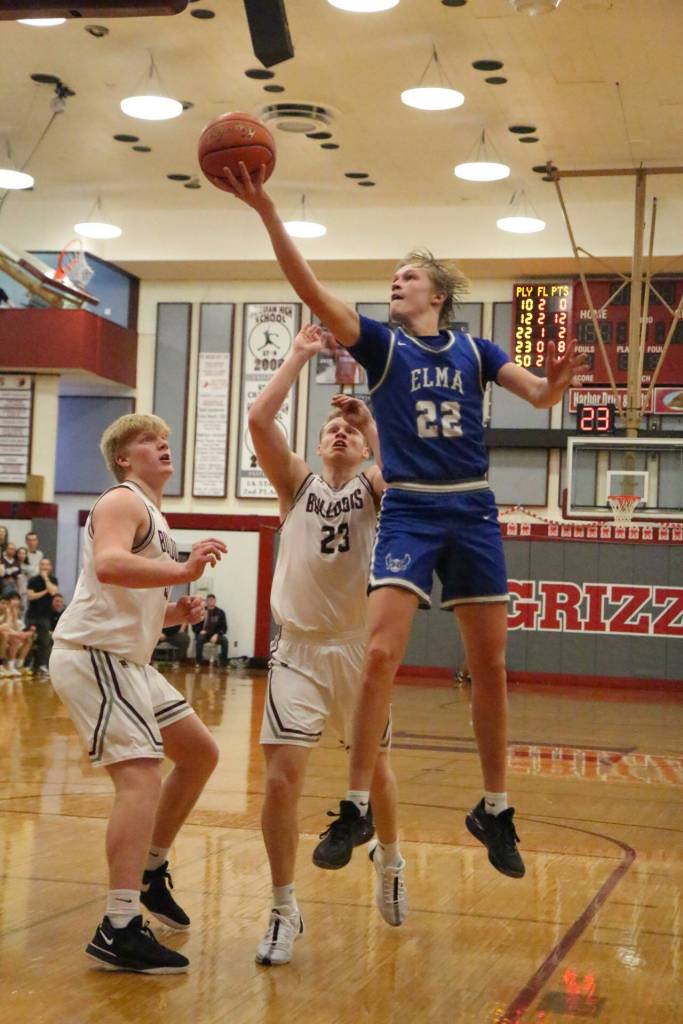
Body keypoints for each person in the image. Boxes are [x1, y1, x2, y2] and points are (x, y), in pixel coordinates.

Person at [224, 162, 587, 881]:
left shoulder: (475, 350)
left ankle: (494, 807)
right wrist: (266, 210)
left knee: (488, 665)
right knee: (383, 654)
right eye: (392, 277)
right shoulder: (381, 347)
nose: (395, 283)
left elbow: (541, 399)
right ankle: (355, 803)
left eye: (408, 277)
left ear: (439, 295)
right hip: (414, 508)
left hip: (474, 507)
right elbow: (309, 290)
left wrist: (559, 380)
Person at [247, 322, 406, 968]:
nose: (337, 431)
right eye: (329, 429)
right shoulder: (297, 485)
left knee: (376, 774)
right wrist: (296, 355)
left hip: (358, 649)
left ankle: (390, 859)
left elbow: (403, 467)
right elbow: (260, 420)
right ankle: (283, 908)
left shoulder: (373, 486)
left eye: (346, 430)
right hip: (299, 650)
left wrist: (371, 425)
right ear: (315, 448)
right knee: (281, 784)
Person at [49, 413, 227, 974]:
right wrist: (182, 567)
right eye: (151, 441)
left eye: (167, 440)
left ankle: (149, 871)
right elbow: (108, 565)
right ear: (125, 458)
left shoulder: (153, 513)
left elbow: (130, 598)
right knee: (141, 774)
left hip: (128, 658)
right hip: (94, 655)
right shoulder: (122, 501)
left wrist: (175, 612)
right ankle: (119, 925)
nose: (163, 446)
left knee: (200, 753)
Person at [25, 557, 59, 677]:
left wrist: (45, 579)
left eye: (47, 565)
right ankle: (27, 665)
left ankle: (42, 666)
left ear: (50, 567)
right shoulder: (33, 580)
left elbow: (54, 592)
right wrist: (45, 591)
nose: (44, 567)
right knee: (29, 639)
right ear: (39, 566)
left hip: (45, 616)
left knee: (45, 642)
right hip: (31, 615)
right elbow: (30, 596)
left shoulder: (53, 579)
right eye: (42, 564)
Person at [192, 594, 228, 668]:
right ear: (206, 601)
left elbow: (224, 627)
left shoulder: (220, 613)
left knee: (225, 641)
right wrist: (200, 631)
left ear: (215, 601)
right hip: (204, 634)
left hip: (215, 635)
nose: (211, 602)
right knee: (199, 639)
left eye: (213, 600)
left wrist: (217, 634)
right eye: (210, 600)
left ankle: (224, 662)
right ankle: (198, 661)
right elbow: (194, 624)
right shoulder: (201, 611)